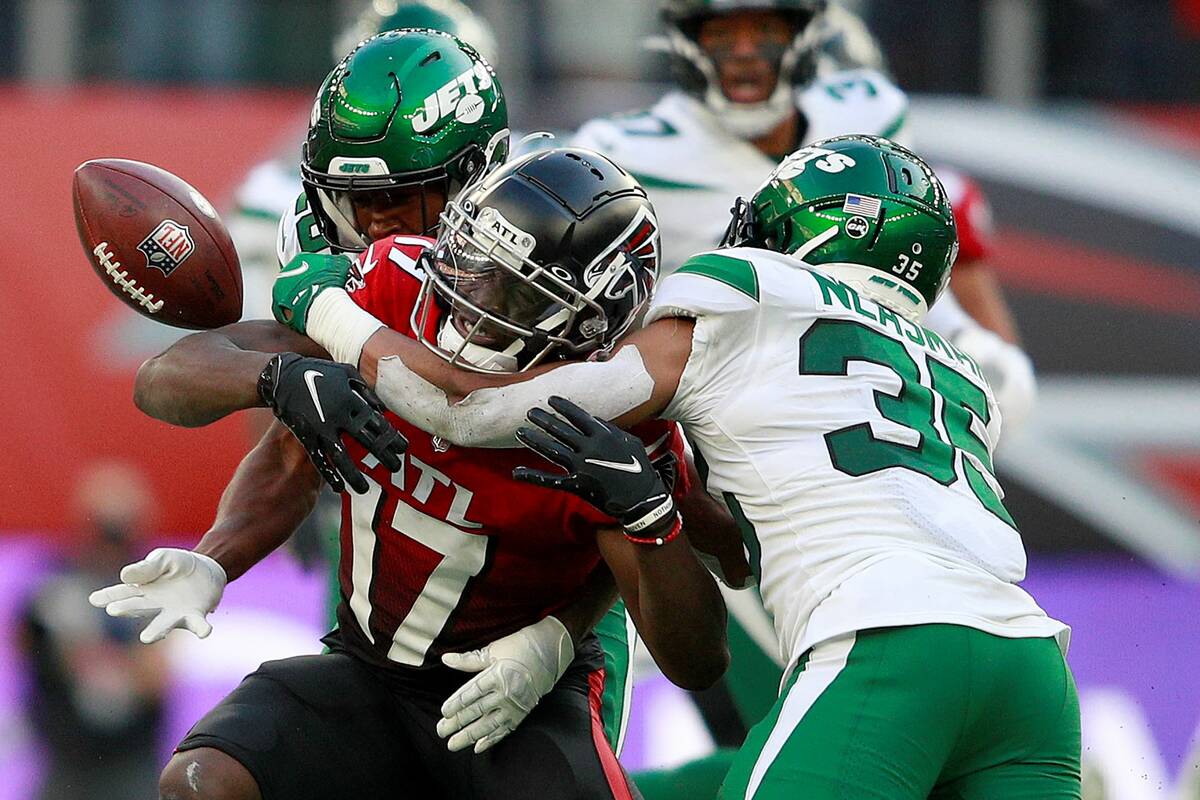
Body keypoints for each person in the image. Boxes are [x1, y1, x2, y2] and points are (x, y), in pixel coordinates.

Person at [283, 135, 1081, 798]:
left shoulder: (748, 289)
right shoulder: (953, 368)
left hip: (887, 637)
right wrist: (657, 517)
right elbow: (738, 546)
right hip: (1033, 673)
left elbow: (477, 412)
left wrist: (319, 302)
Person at [93, 147, 733, 800]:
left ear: (587, 320)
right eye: (473, 259)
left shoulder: (616, 425)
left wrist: (650, 518)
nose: (468, 293)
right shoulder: (397, 286)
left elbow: (699, 659)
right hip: (369, 671)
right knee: (202, 782)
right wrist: (276, 384)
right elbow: (177, 383)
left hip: (513, 699)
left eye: (511, 286)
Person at [20, 462, 169, 800]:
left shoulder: (153, 589)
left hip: (129, 760)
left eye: (118, 531)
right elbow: (27, 649)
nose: (110, 544)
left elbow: (155, 674)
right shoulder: (53, 584)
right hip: (68, 757)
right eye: (104, 529)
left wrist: (108, 660)